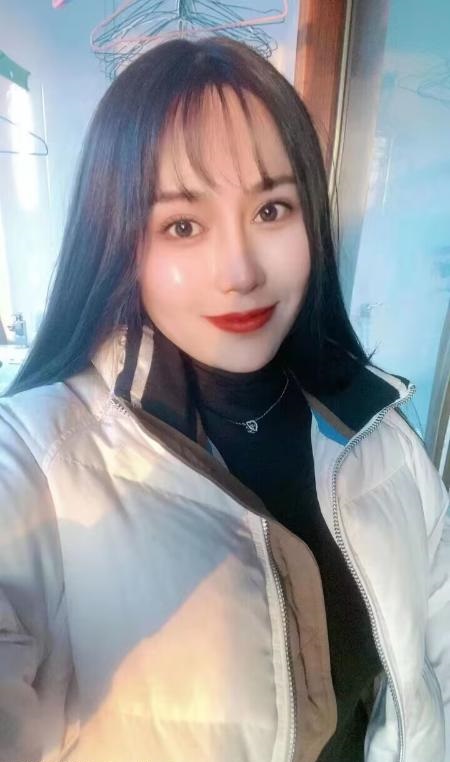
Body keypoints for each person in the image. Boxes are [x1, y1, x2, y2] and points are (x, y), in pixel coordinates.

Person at [0, 36, 448, 762]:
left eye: (272, 210)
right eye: (182, 225)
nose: (240, 271)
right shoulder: (37, 457)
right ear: (119, 242)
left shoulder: (379, 438)